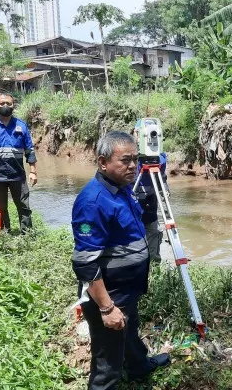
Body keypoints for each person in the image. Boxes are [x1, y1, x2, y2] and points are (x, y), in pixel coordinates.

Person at [71, 131, 170, 389]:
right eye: (125, 160)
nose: (132, 166)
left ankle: (138, 366)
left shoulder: (123, 188)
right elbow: (85, 263)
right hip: (110, 293)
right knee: (107, 365)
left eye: (135, 160)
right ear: (103, 163)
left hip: (127, 289)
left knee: (130, 329)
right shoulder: (92, 202)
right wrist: (106, 308)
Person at [0, 93, 37, 234]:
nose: (5, 106)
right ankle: (5, 234)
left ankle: (27, 235)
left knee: (23, 206)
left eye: (8, 103)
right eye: (1, 103)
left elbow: (30, 150)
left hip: (18, 174)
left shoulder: (21, 126)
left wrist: (33, 171)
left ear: (13, 105)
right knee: (0, 207)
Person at [132, 126, 169, 263]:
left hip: (150, 213)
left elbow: (162, 173)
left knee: (153, 241)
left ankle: (154, 271)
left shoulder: (160, 159)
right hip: (133, 215)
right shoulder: (130, 160)